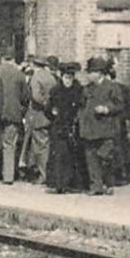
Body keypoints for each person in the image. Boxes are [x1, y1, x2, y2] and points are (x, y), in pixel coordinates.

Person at [77, 56, 125, 195]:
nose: (88, 75)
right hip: (89, 127)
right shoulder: (87, 89)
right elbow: (82, 105)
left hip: (105, 127)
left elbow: (120, 105)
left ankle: (108, 183)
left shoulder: (112, 87)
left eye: (91, 72)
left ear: (99, 73)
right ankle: (96, 186)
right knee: (90, 157)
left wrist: (106, 109)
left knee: (105, 156)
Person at [44, 61, 85, 193]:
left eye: (71, 78)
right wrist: (53, 115)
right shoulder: (55, 91)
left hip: (73, 127)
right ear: (61, 77)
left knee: (74, 156)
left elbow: (82, 107)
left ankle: (74, 184)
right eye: (66, 78)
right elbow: (48, 109)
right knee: (59, 156)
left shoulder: (79, 90)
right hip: (59, 127)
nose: (68, 81)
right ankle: (59, 184)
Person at [0, 53, 26, 184]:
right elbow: (25, 96)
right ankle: (8, 176)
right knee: (9, 145)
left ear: (2, 59)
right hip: (13, 114)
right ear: (14, 60)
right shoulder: (19, 74)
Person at [21, 56, 58, 183]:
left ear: (33, 65)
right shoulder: (50, 77)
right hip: (49, 116)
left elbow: (36, 97)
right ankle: (44, 173)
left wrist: (45, 105)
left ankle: (43, 175)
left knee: (40, 146)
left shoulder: (36, 77)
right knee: (45, 144)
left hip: (38, 115)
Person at [106, 57, 130, 185]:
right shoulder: (123, 88)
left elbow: (128, 107)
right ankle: (124, 173)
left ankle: (120, 174)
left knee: (118, 147)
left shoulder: (119, 89)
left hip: (116, 121)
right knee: (120, 146)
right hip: (118, 121)